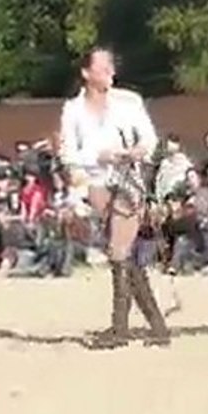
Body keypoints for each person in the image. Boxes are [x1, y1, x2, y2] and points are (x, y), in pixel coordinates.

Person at [59, 46, 170, 349]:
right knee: (122, 254)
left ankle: (120, 329)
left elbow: (149, 138)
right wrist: (99, 155)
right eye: (104, 67)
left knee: (119, 250)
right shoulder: (73, 109)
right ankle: (157, 327)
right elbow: (68, 153)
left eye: (111, 67)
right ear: (86, 73)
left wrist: (136, 151)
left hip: (128, 180)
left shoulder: (128, 102)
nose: (111, 72)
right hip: (95, 181)